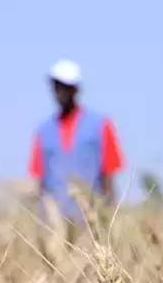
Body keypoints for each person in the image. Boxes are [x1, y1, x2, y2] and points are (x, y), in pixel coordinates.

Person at [28, 59, 124, 235]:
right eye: (56, 86)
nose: (59, 92)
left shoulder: (101, 125)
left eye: (65, 86)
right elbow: (39, 181)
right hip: (54, 222)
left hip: (89, 219)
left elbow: (109, 175)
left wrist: (107, 217)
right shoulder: (43, 131)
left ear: (76, 89)